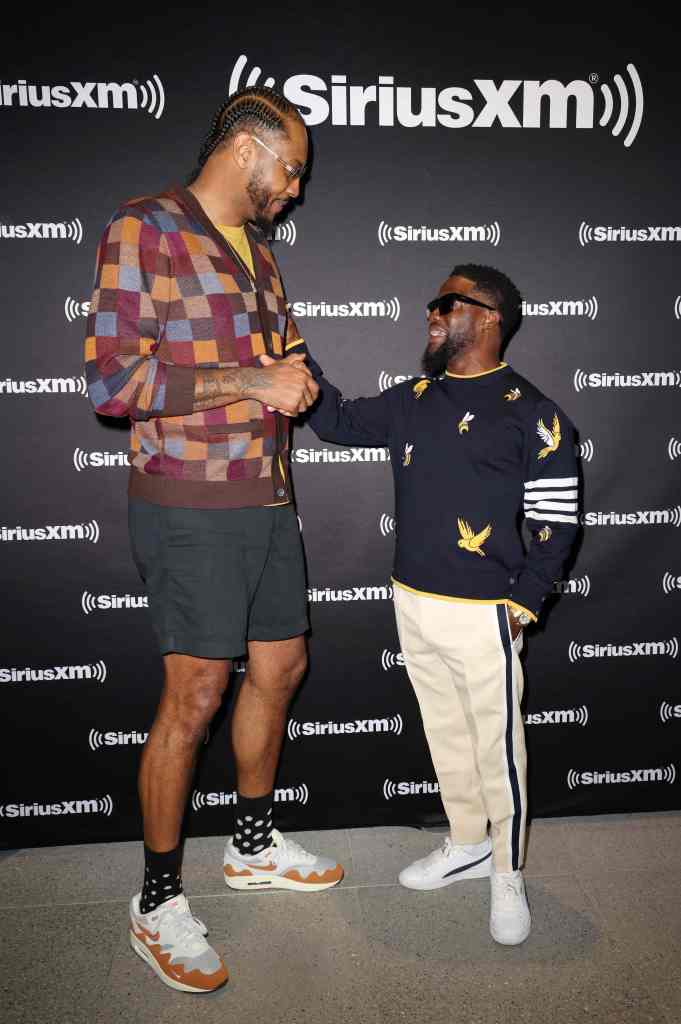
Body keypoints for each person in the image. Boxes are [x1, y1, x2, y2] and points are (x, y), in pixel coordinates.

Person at [84, 85, 343, 995]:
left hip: (267, 498)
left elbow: (287, 365)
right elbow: (111, 383)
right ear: (247, 149)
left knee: (282, 667)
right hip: (188, 500)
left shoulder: (261, 254)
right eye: (292, 168)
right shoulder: (145, 226)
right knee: (192, 697)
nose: (295, 188)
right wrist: (251, 381)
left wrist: (296, 382)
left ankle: (252, 844)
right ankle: (155, 902)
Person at [277, 264, 579, 945]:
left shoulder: (533, 413)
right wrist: (297, 352)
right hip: (412, 600)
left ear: (490, 317)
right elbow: (338, 422)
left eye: (447, 303)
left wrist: (522, 605)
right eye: (432, 303)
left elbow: (555, 519)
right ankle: (467, 842)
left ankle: (505, 869)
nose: (431, 314)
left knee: (497, 751)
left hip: (485, 611)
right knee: (445, 734)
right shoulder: (413, 398)